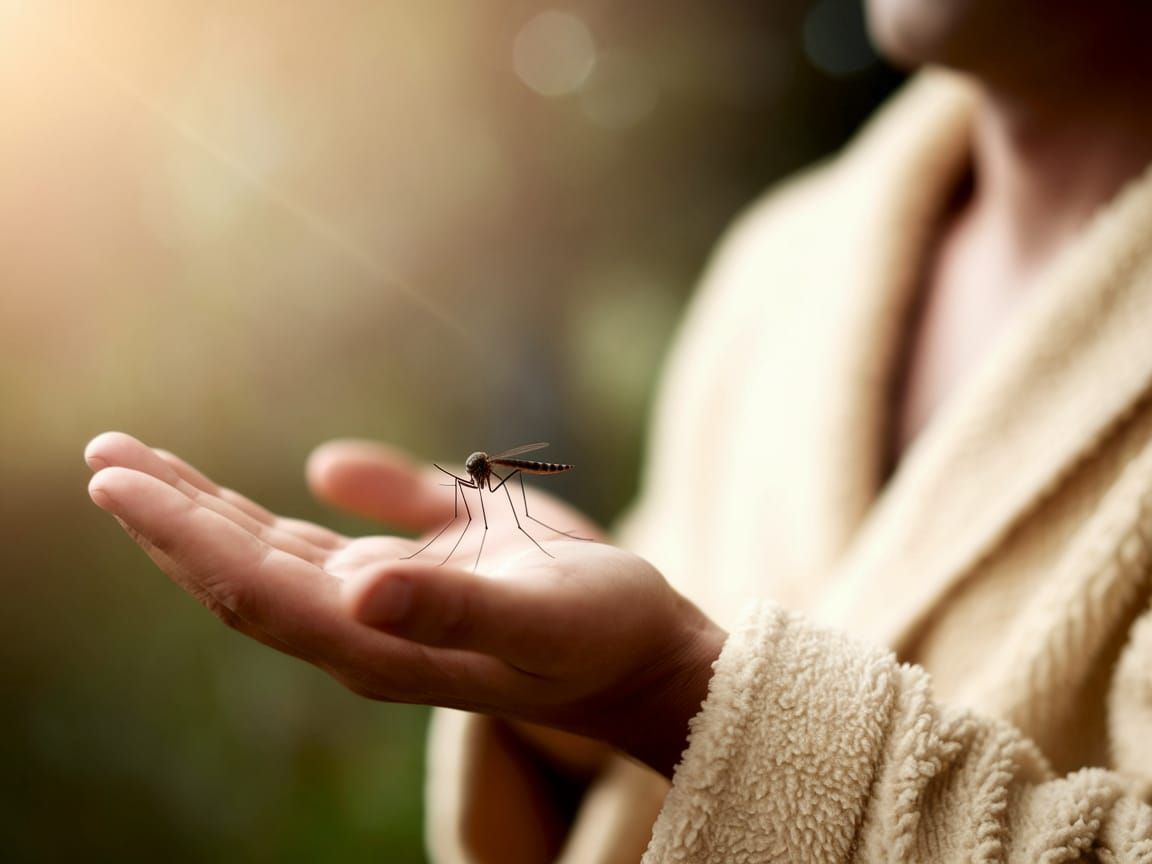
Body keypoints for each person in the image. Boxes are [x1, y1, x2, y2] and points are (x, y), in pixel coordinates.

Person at [85, 0, 1152, 860]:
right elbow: (655, 667)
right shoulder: (780, 270)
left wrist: (671, 694)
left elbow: (693, 662)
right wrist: (565, 713)